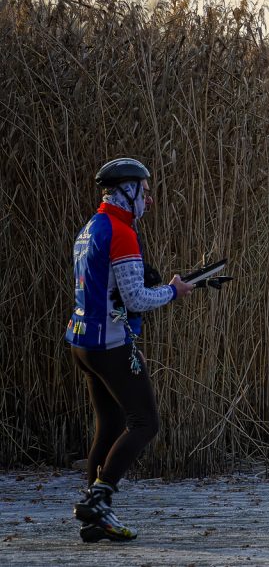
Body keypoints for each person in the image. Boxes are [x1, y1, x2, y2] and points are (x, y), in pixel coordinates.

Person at [65, 158, 195, 542]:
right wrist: (173, 290)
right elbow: (136, 299)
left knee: (109, 426)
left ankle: (95, 519)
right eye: (146, 191)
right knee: (145, 422)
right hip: (110, 343)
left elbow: (108, 289)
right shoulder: (121, 232)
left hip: (83, 342)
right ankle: (100, 498)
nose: (149, 201)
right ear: (127, 191)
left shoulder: (91, 227)